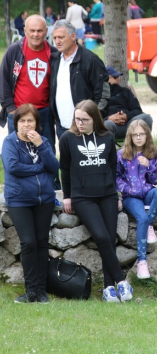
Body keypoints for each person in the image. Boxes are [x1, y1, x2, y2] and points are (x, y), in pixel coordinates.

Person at [59, 100, 133, 302]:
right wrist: (67, 196)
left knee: (109, 239)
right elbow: (64, 168)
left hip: (107, 195)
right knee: (100, 237)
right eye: (77, 119)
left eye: (85, 120)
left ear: (95, 119)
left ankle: (109, 288)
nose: (80, 123)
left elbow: (112, 168)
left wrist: (116, 194)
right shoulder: (67, 138)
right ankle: (121, 281)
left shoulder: (107, 137)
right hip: (83, 198)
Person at [2, 104, 59, 303]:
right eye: (22, 121)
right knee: (28, 243)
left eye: (30, 121)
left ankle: (41, 291)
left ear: (37, 123)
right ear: (16, 123)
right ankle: (31, 290)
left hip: (44, 199)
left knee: (42, 243)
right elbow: (13, 167)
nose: (26, 125)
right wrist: (39, 167)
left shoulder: (43, 141)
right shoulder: (10, 142)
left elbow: (54, 167)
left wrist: (41, 147)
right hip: (19, 200)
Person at [0, 15, 57, 155]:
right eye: (32, 30)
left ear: (46, 31)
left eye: (39, 31)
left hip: (45, 112)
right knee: (19, 153)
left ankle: (52, 178)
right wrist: (11, 109)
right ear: (25, 31)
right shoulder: (14, 51)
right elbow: (3, 80)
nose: (35, 34)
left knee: (47, 151)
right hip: (18, 112)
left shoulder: (53, 53)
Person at [116, 119, 157, 279]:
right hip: (131, 197)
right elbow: (117, 178)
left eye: (141, 134)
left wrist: (149, 166)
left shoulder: (152, 154)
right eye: (135, 135)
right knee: (141, 219)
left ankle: (149, 224)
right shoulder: (122, 154)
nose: (138, 137)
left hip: (147, 193)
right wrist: (128, 190)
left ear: (147, 136)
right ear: (130, 136)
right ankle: (142, 262)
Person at [49, 20, 110, 139]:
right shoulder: (55, 59)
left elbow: (103, 93)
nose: (57, 41)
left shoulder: (90, 60)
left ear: (73, 36)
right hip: (62, 127)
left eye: (61, 37)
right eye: (55, 37)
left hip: (86, 127)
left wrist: (94, 118)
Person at [104, 66, 152, 138]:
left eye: (118, 76)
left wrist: (126, 116)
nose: (118, 79)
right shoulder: (99, 95)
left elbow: (137, 110)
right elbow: (94, 116)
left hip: (129, 125)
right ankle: (110, 148)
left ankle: (146, 147)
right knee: (108, 124)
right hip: (110, 126)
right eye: (115, 77)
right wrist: (109, 118)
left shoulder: (125, 91)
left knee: (146, 118)